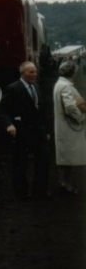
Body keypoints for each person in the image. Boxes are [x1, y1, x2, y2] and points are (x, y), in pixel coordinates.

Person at [0, 61, 49, 200]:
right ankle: (21, 192)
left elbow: (42, 111)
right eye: (31, 72)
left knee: (43, 160)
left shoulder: (37, 88)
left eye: (35, 72)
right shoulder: (13, 88)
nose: (34, 75)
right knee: (21, 162)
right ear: (23, 73)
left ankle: (40, 190)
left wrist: (47, 130)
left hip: (38, 131)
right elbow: (2, 110)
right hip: (22, 131)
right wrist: (9, 125)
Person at [52, 60, 86, 194]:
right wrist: (81, 117)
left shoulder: (59, 84)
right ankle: (66, 184)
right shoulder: (66, 86)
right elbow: (71, 107)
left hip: (63, 125)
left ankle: (64, 182)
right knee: (68, 157)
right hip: (69, 126)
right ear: (72, 72)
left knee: (65, 156)